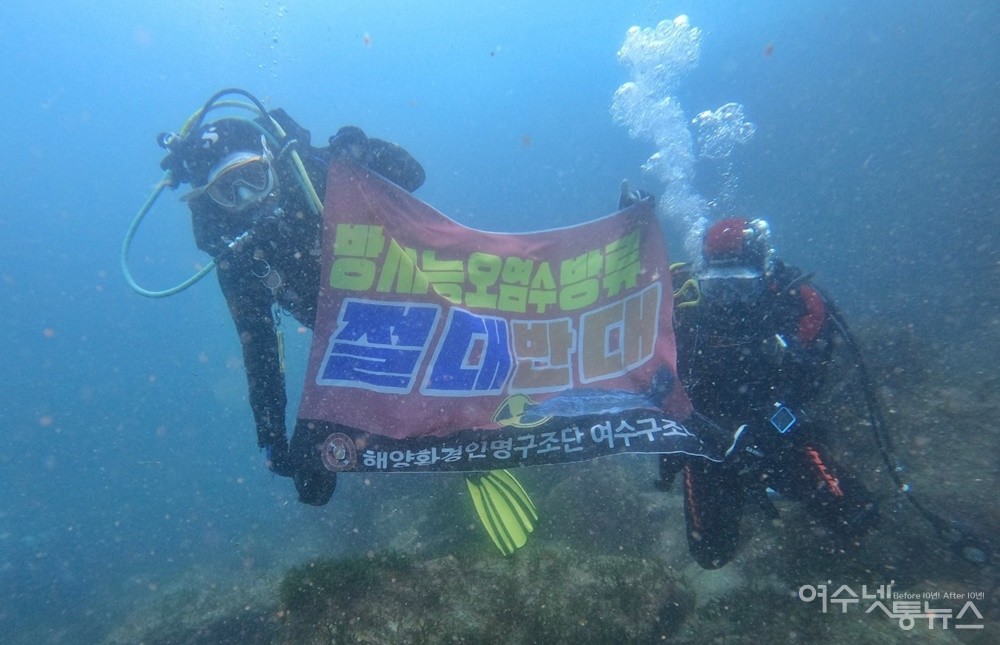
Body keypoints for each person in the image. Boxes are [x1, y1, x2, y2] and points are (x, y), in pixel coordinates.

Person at [157, 91, 426, 506]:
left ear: (271, 161)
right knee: (319, 459)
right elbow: (260, 352)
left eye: (253, 176)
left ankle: (466, 440)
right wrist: (274, 438)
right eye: (227, 190)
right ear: (210, 201)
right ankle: (456, 455)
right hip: (356, 346)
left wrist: (366, 150)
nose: (247, 197)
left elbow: (412, 175)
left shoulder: (313, 174)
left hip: (418, 305)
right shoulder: (238, 258)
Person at [659, 217, 879, 569]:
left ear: (763, 273)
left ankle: (773, 488)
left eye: (741, 286)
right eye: (717, 287)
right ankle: (741, 494)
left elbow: (810, 381)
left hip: (774, 430)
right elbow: (633, 332)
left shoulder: (791, 302)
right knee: (710, 553)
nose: (729, 300)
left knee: (857, 517)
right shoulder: (684, 302)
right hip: (706, 437)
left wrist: (765, 425)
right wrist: (630, 237)